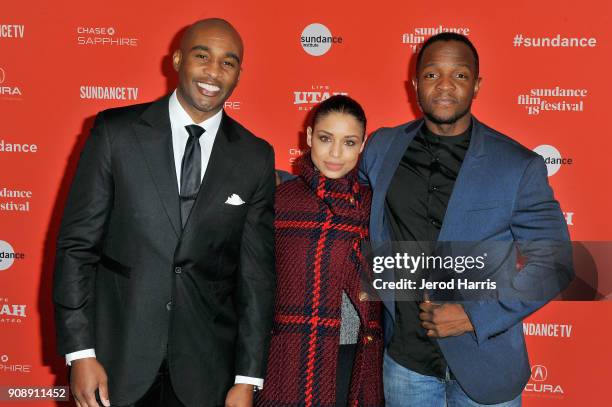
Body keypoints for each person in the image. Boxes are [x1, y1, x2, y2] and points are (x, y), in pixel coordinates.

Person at [53, 18, 275, 407]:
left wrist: (247, 377)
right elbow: (76, 248)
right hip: (116, 361)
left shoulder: (254, 157)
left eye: (228, 62)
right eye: (202, 56)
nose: (213, 72)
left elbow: (256, 279)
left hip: (207, 372)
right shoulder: (115, 133)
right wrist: (80, 354)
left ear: (239, 74)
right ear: (177, 60)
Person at [359, 33, 573, 406]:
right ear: (415, 84)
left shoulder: (516, 166)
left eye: (459, 75)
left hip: (486, 368)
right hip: (405, 366)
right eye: (431, 75)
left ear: (476, 85)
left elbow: (555, 263)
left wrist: (473, 316)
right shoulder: (381, 148)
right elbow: (341, 195)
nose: (444, 86)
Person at [256, 95, 384, 407]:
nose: (336, 153)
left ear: (363, 144)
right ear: (310, 136)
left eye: (349, 142)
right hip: (289, 354)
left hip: (357, 355)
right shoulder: (279, 200)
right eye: (326, 138)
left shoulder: (374, 204)